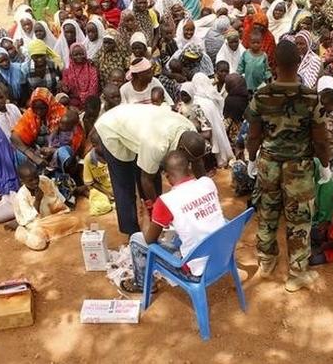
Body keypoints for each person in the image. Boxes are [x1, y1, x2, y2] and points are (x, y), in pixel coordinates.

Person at [245, 40, 330, 292]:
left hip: (268, 163)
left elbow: (253, 135)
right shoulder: (310, 97)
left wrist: (251, 158)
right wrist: (325, 165)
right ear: (297, 64)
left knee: (267, 212)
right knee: (299, 219)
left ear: (274, 64)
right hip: (299, 168)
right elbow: (320, 138)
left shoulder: (262, 96)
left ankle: (266, 260)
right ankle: (296, 273)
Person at [120, 150, 227, 292]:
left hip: (195, 272)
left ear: (167, 176)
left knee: (136, 240)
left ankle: (142, 284)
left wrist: (145, 218)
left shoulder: (166, 201)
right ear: (188, 167)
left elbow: (149, 240)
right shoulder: (207, 182)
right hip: (222, 257)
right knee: (181, 232)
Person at [93, 103, 206, 235]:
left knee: (151, 169)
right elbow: (146, 179)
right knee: (124, 184)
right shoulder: (157, 145)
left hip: (137, 125)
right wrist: (161, 210)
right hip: (112, 127)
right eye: (190, 160)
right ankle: (132, 232)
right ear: (181, 149)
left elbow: (198, 163)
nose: (191, 163)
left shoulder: (190, 131)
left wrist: (204, 190)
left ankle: (155, 220)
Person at [13, 162, 85, 251]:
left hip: (52, 218)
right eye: (30, 180)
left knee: (77, 221)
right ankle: (22, 233)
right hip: (36, 224)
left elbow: (57, 196)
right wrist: (38, 200)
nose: (35, 181)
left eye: (36, 177)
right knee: (38, 243)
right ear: (22, 181)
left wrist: (66, 205)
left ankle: (49, 232)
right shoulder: (22, 195)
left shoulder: (44, 180)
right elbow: (30, 218)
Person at [60, 43, 99, 109]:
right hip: (73, 104)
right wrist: (63, 87)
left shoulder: (92, 69)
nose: (79, 57)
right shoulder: (67, 72)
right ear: (71, 56)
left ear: (85, 54)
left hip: (90, 103)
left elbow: (93, 90)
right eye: (76, 55)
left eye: (81, 54)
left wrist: (81, 97)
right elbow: (67, 89)